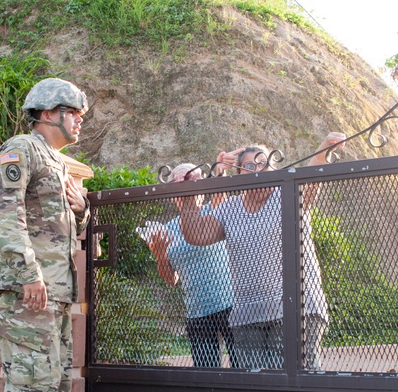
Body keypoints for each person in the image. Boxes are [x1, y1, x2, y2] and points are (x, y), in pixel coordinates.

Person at [0, 77, 95, 392]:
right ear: (49, 113)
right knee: (29, 383)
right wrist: (29, 274)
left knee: (52, 385)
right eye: (76, 113)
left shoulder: (61, 163)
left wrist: (81, 206)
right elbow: (3, 213)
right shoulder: (21, 150)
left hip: (54, 296)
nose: (81, 121)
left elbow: (70, 231)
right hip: (25, 293)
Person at [179, 133, 345, 371]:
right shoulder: (230, 208)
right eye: (248, 165)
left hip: (295, 309)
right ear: (238, 174)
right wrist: (191, 193)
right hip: (248, 316)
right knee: (259, 388)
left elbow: (311, 181)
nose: (257, 168)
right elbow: (197, 235)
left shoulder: (288, 194)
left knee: (297, 382)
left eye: (263, 163)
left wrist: (323, 150)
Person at [146, 163, 235, 367]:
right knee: (206, 375)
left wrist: (222, 170)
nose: (187, 194)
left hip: (232, 306)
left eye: (193, 185)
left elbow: (221, 194)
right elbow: (170, 280)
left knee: (243, 367)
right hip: (197, 313)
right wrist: (160, 255)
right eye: (180, 189)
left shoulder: (214, 212)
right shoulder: (167, 230)